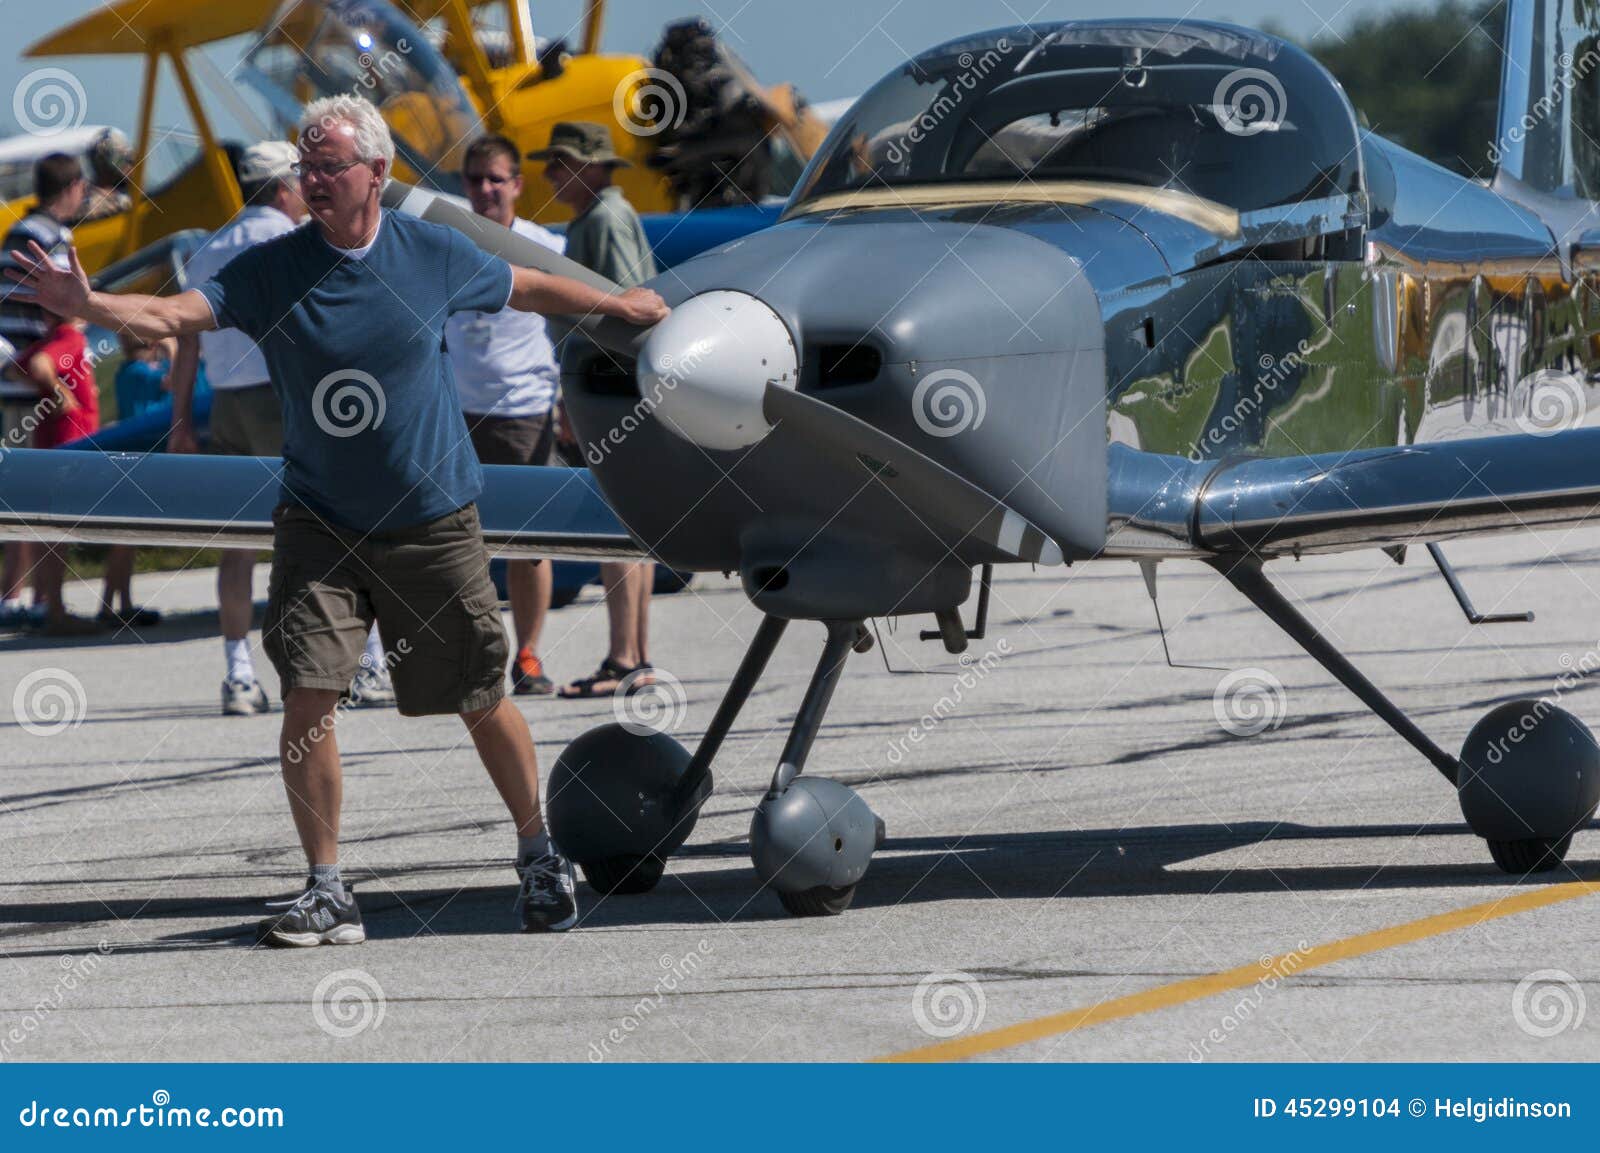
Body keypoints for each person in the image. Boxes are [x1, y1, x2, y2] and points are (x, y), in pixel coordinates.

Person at [9, 93, 669, 942]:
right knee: (308, 697)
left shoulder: (430, 249)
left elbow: (528, 287)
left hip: (432, 517)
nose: (312, 180)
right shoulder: (270, 270)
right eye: (304, 167)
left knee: (478, 693)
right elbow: (173, 316)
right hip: (318, 519)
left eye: (329, 167)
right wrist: (89, 306)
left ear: (378, 174)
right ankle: (327, 888)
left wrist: (619, 307)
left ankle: (538, 853)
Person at [529, 122, 660, 699]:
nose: (551, 175)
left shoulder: (604, 220)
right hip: (622, 388)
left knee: (617, 522)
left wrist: (580, 394)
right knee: (632, 524)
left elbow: (628, 310)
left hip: (613, 389)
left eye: (561, 163)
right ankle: (635, 656)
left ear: (592, 166)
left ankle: (625, 658)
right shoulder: (603, 215)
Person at [447, 134, 564, 696]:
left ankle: (529, 655)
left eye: (497, 178)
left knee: (529, 545)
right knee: (462, 544)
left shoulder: (544, 246)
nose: (487, 189)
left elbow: (575, 325)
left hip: (524, 413)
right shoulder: (446, 243)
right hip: (457, 413)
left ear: (518, 184)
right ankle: (477, 657)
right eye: (476, 179)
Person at [0, 153, 85, 630]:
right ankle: (34, 599)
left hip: (12, 374)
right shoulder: (56, 237)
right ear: (71, 187)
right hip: (41, 375)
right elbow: (63, 307)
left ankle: (13, 593)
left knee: (14, 488)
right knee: (42, 492)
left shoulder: (17, 231)